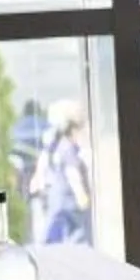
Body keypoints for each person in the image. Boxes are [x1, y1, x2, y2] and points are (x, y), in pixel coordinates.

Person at [31, 100, 93, 245]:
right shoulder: (68, 149)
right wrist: (82, 197)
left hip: (56, 200)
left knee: (54, 234)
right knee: (76, 237)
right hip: (68, 202)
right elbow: (72, 175)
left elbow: (42, 165)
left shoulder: (55, 145)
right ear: (74, 130)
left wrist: (39, 183)